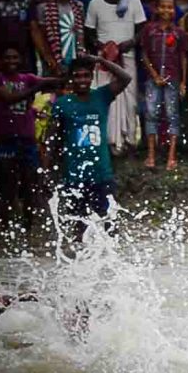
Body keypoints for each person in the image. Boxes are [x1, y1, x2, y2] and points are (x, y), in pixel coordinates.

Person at [45, 55, 132, 241]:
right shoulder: (62, 104)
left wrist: (101, 60)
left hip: (102, 173)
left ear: (92, 77)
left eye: (86, 76)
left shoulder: (101, 96)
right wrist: (47, 169)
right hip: (75, 175)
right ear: (71, 79)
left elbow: (125, 78)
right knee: (79, 226)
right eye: (77, 76)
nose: (82, 80)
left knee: (109, 223)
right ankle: (80, 265)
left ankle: (111, 266)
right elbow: (52, 139)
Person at [0, 47, 62, 225]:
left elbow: (48, 81)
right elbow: (10, 98)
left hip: (27, 139)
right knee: (8, 183)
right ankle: (5, 223)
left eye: (15, 57)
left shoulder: (27, 78)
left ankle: (28, 223)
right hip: (6, 139)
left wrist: (64, 78)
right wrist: (37, 87)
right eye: (7, 57)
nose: (11, 61)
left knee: (30, 182)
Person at [85, 0, 146, 155]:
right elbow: (88, 32)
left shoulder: (133, 1)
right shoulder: (95, 4)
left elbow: (141, 30)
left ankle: (127, 140)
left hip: (126, 57)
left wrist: (130, 43)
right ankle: (106, 141)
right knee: (104, 95)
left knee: (129, 98)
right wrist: (102, 47)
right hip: (104, 59)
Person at [139, 0, 188, 171]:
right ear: (156, 8)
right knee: (151, 114)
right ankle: (151, 155)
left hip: (172, 78)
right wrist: (154, 75)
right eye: (163, 7)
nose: (167, 10)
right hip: (154, 79)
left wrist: (182, 81)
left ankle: (171, 156)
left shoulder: (179, 33)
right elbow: (144, 56)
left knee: (172, 115)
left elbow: (183, 58)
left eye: (170, 7)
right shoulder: (149, 30)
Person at [30, 0, 86, 75]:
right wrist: (48, 57)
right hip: (53, 57)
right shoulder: (43, 7)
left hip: (75, 55)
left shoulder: (79, 6)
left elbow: (81, 32)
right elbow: (42, 35)